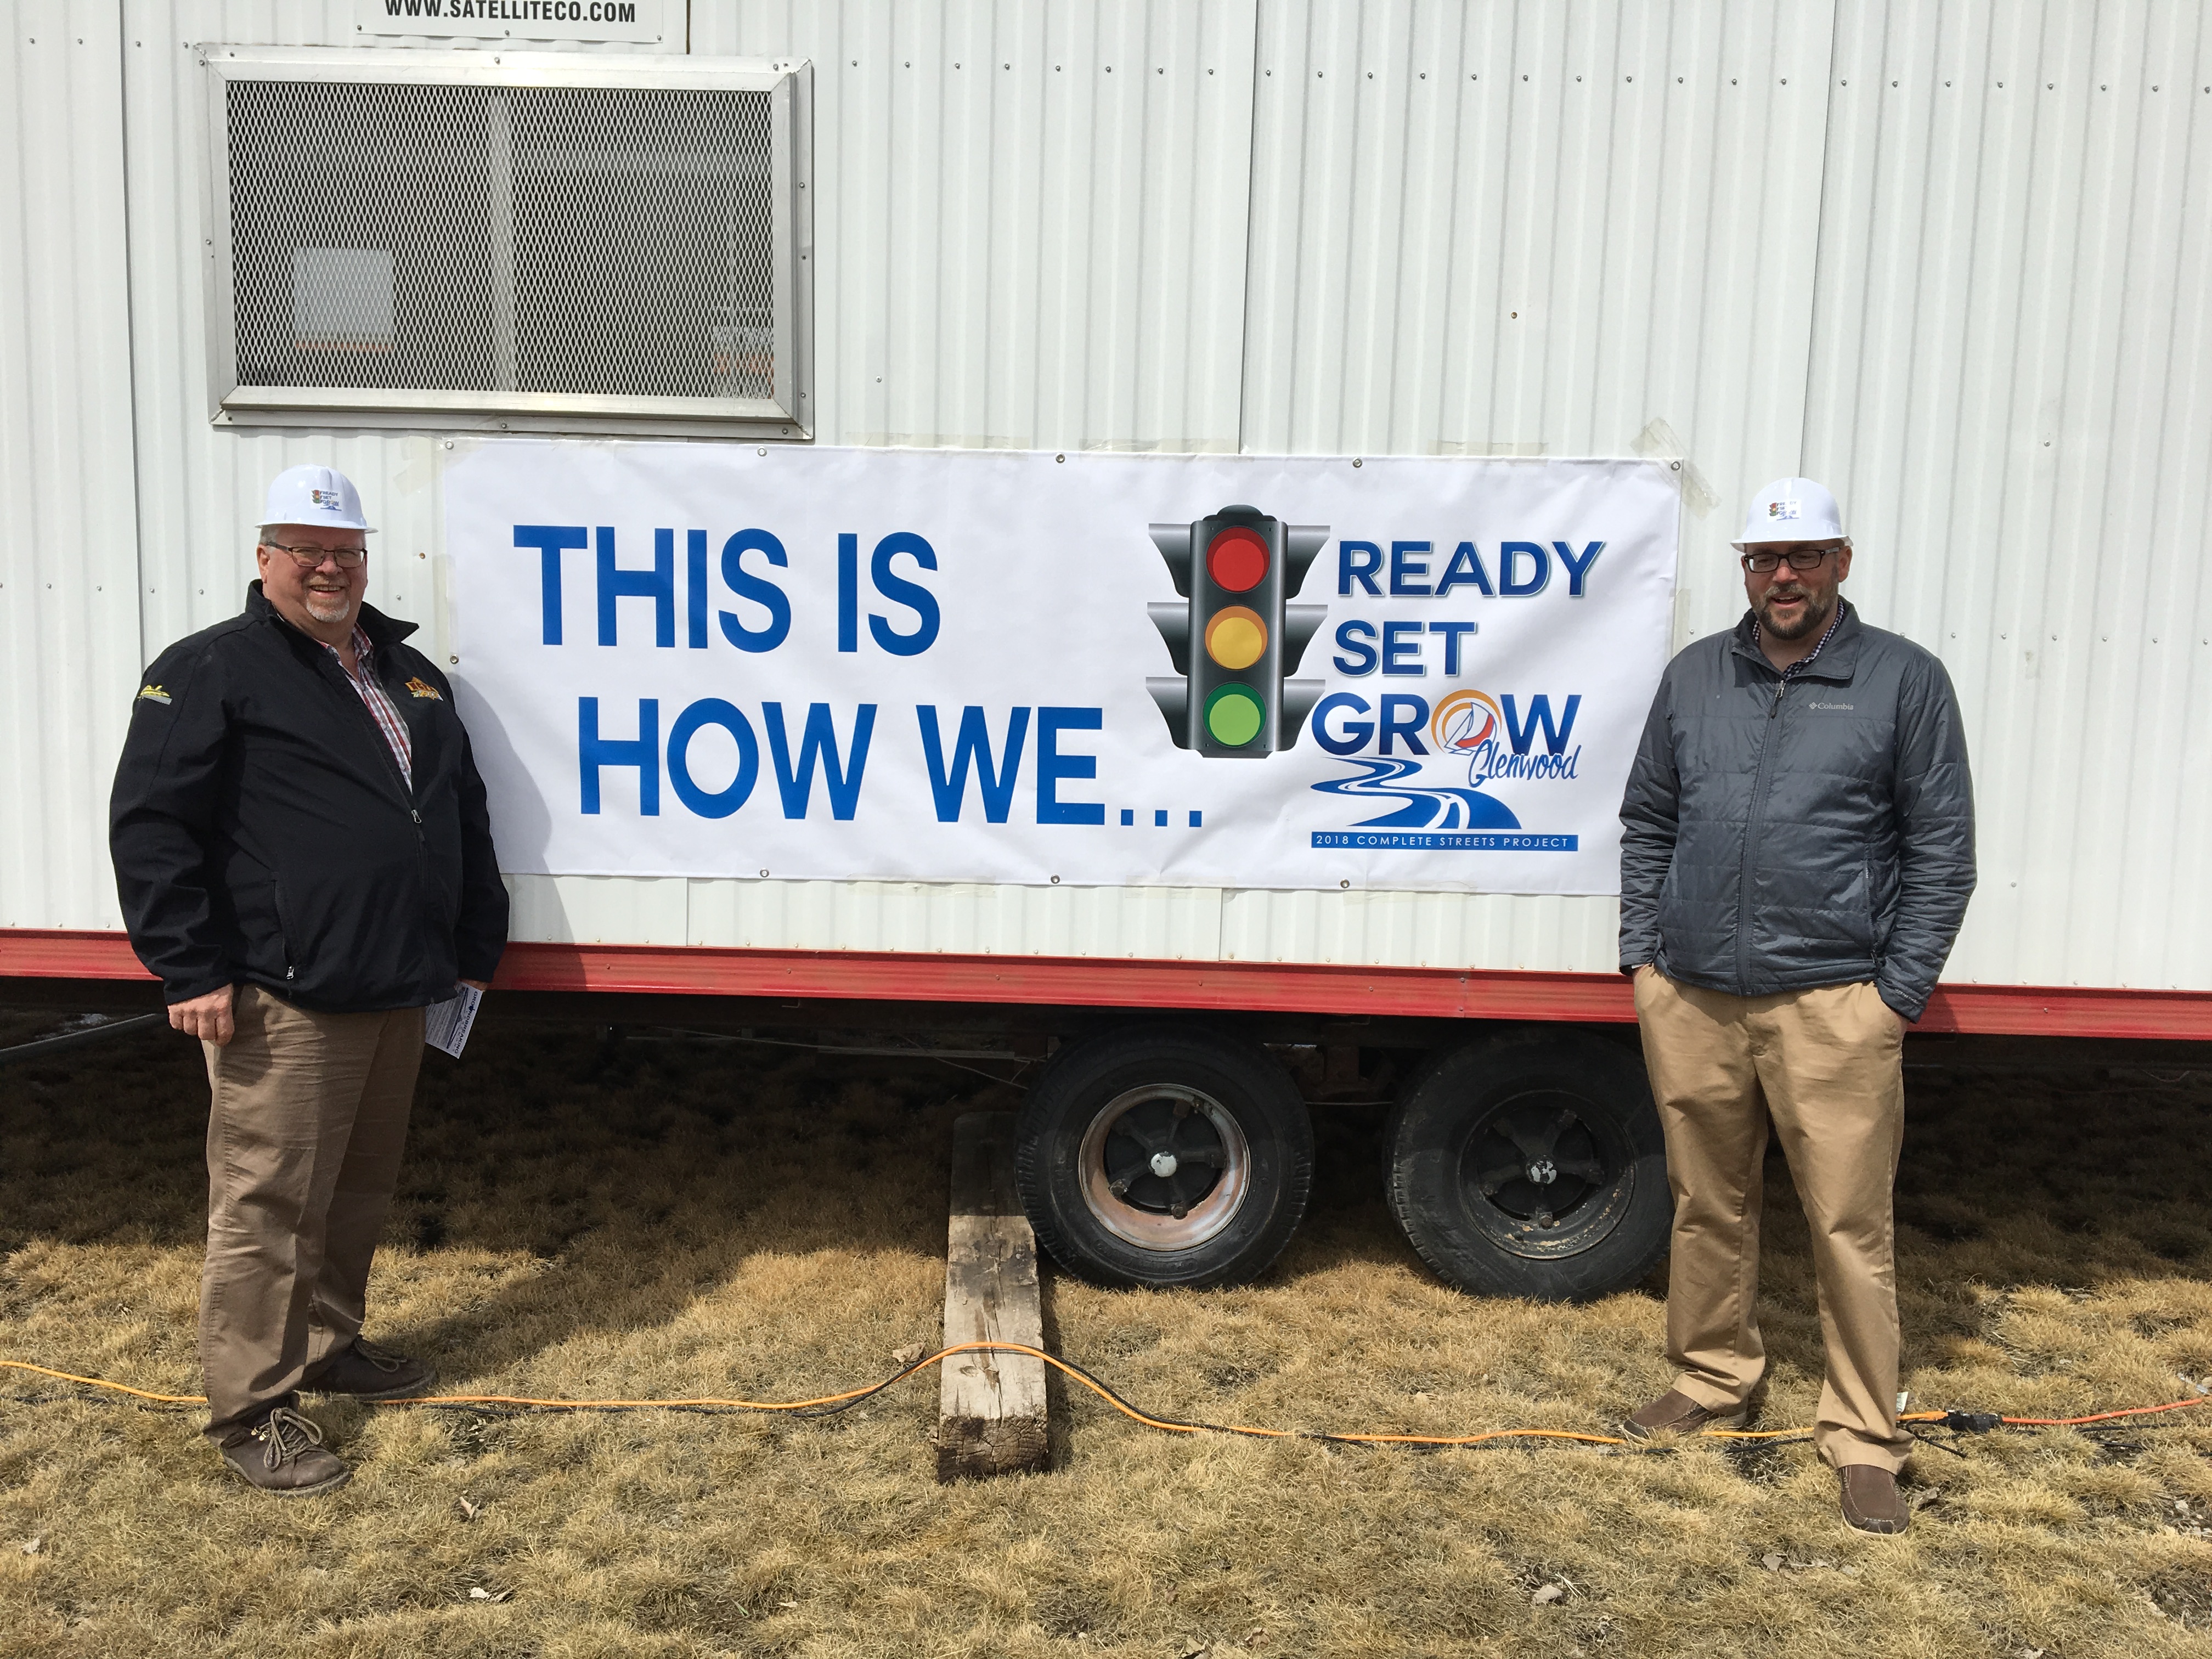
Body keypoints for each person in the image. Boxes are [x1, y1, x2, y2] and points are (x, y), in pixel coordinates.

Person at [110, 464, 508, 1496]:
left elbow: (457, 811)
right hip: (285, 993)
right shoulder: (214, 669)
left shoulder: (409, 674)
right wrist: (188, 967)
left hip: (396, 980)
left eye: (345, 550)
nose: (328, 567)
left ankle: (329, 1349)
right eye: (305, 549)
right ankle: (253, 1407)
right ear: (266, 560)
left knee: (358, 1190)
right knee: (269, 1204)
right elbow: (154, 826)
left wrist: (472, 944)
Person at [1616, 477, 1974, 1536]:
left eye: (1805, 557)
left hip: (1834, 1004)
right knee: (1705, 1202)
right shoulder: (1694, 677)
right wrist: (1645, 958)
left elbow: (1941, 851)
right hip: (1694, 996)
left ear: (1841, 563)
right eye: (1766, 560)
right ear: (1746, 570)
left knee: (1848, 1223)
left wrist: (1894, 996)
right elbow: (1648, 822)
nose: (1784, 577)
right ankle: (1712, 1377)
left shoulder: (1902, 680)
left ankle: (1866, 1435)